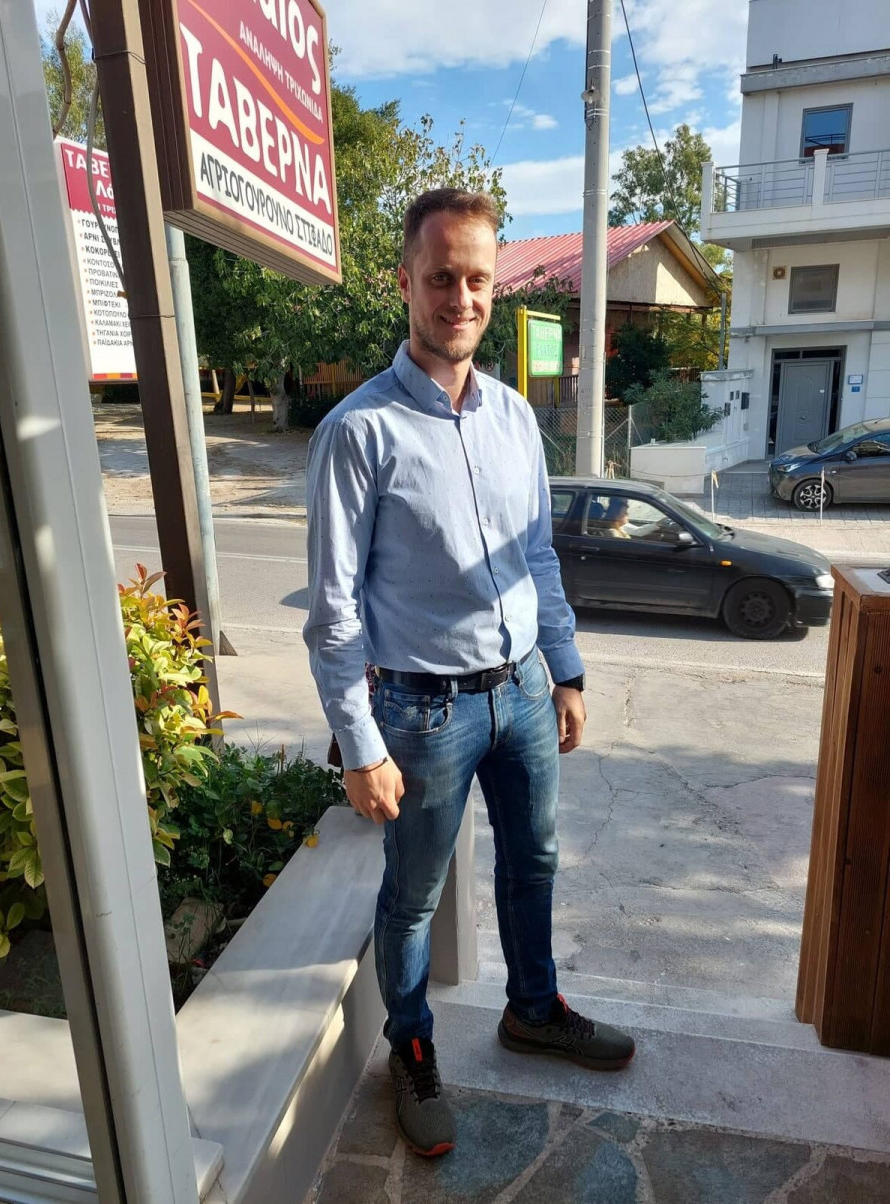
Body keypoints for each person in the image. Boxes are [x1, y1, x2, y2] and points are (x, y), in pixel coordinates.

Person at [304, 188, 635, 1159]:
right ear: (405, 281)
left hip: (523, 690)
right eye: (442, 276)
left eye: (478, 279)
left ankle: (533, 1008)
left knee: (535, 862)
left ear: (496, 287)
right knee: (411, 898)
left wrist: (564, 670)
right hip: (422, 713)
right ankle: (411, 1048)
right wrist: (360, 746)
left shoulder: (515, 419)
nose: (461, 297)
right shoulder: (357, 433)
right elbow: (333, 613)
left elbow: (538, 557)